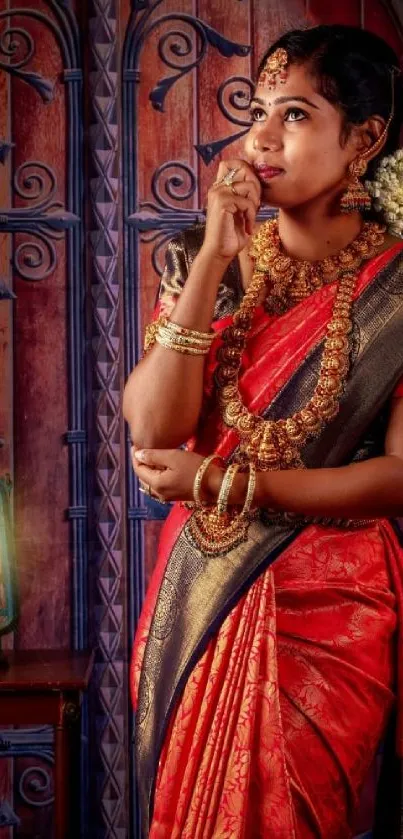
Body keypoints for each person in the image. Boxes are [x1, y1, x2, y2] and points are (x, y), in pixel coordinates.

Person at [123, 24, 403, 839]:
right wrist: (213, 260)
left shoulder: (397, 290)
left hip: (332, 607)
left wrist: (221, 481)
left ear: (364, 138)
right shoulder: (199, 257)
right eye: (257, 112)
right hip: (199, 589)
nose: (261, 137)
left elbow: (398, 476)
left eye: (295, 114)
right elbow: (153, 423)